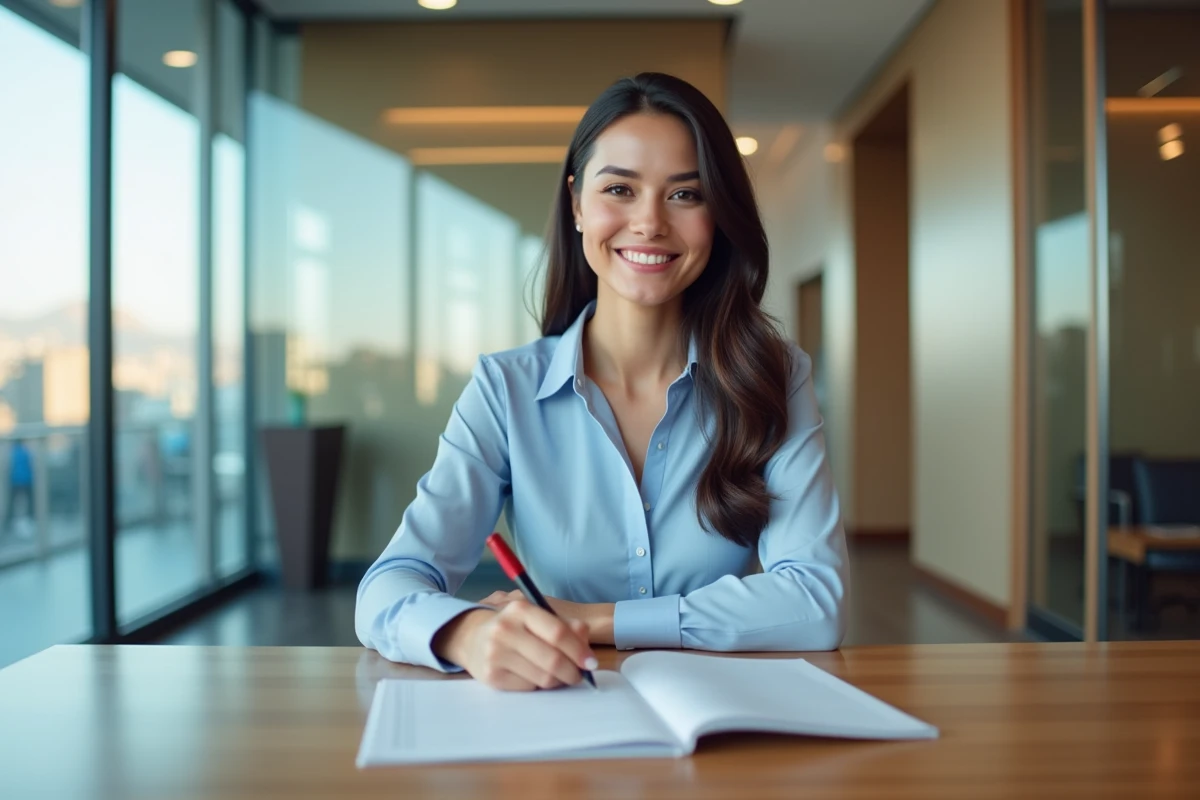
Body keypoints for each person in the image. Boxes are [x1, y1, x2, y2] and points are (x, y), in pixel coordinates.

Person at [356, 73, 848, 691]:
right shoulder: (504, 391)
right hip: (558, 719)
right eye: (619, 188)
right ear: (577, 203)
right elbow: (388, 587)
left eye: (686, 195)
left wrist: (597, 621)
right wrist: (469, 633)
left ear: (718, 214)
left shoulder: (775, 377)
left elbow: (816, 602)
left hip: (722, 722)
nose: (649, 223)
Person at [5, 439, 34, 536]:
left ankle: (11, 521)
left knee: (14, 501)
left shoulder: (13, 452)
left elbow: (9, 466)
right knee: (26, 501)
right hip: (26, 480)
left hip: (15, 480)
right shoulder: (26, 452)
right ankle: (27, 519)